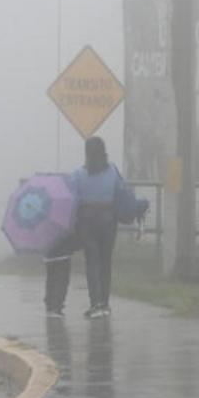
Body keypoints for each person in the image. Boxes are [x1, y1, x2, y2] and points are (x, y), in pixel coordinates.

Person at [72, 137, 122, 319]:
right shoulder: (112, 171)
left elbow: (73, 198)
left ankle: (95, 304)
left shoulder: (78, 174)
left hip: (87, 220)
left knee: (92, 261)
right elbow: (120, 192)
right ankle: (105, 303)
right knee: (106, 262)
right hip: (108, 219)